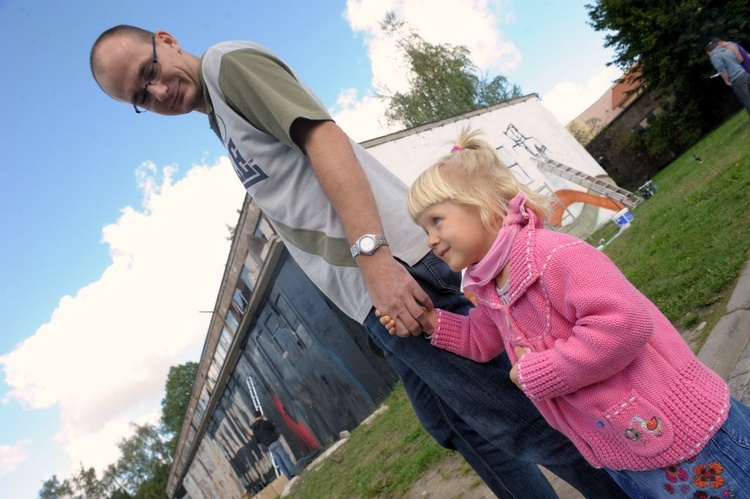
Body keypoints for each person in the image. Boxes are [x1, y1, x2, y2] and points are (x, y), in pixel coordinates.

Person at [90, 26, 628, 498]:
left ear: (166, 39)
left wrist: (374, 259)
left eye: (150, 71)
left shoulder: (227, 66)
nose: (158, 91)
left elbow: (324, 138)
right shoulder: (218, 117)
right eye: (141, 96)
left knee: (519, 420)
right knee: (456, 424)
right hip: (373, 293)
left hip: (398, 270)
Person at [380, 127, 750, 498]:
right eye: (423, 227)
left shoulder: (551, 256)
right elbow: (482, 339)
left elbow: (625, 324)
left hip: (685, 442)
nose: (430, 239)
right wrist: (431, 323)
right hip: (624, 448)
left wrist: (540, 372)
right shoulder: (492, 287)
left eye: (436, 221)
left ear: (485, 205)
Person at [706, 39, 750, 116]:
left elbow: (722, 70)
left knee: (746, 98)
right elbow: (738, 60)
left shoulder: (714, 56)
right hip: (744, 73)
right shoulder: (727, 50)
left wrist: (726, 81)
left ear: (709, 51)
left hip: (736, 78)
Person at [250, 410, 295, 479]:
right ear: (261, 415)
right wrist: (266, 420)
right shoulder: (263, 423)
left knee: (279, 462)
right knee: (284, 457)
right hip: (274, 442)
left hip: (268, 446)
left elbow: (257, 440)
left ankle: (288, 476)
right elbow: (272, 427)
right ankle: (293, 472)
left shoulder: (254, 429)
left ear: (255, 417)